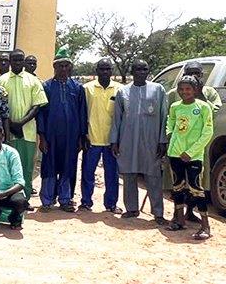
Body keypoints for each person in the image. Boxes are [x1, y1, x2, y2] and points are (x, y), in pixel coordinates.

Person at [109, 59, 168, 224]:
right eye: (138, 69)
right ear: (132, 72)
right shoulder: (123, 92)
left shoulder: (158, 89)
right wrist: (114, 141)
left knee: (153, 175)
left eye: (145, 69)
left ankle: (158, 213)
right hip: (128, 139)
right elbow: (117, 118)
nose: (142, 72)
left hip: (151, 140)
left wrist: (162, 140)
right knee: (129, 174)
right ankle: (131, 208)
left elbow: (164, 116)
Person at [165, 60, 222, 223]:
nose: (193, 77)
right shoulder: (174, 93)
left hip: (198, 146)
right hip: (177, 147)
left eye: (196, 74)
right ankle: (177, 215)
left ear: (201, 75)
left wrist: (200, 94)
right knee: (177, 183)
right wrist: (169, 135)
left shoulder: (209, 93)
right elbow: (169, 116)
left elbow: (214, 111)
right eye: (189, 74)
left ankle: (191, 212)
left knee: (196, 183)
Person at [37, 49, 87, 212]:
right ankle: (47, 200)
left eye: (66, 65)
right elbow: (41, 114)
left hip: (71, 136)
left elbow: (82, 113)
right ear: (55, 67)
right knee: (49, 166)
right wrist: (42, 137)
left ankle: (65, 200)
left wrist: (81, 137)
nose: (63, 69)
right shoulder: (46, 87)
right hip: (51, 136)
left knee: (68, 166)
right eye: (60, 66)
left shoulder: (77, 88)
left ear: (70, 67)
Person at [0, 49, 48, 201]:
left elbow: (37, 105)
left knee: (26, 167)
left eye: (20, 60)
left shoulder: (33, 81)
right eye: (15, 60)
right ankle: (7, 199)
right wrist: (11, 124)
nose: (17, 62)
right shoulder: (1, 81)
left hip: (28, 132)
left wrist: (21, 123)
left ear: (24, 61)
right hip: (6, 133)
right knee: (6, 166)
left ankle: (24, 199)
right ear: (10, 61)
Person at [80, 58, 121, 213]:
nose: (105, 72)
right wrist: (83, 135)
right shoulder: (87, 88)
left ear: (112, 71)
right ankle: (86, 202)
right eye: (102, 69)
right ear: (96, 71)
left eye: (107, 69)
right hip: (92, 139)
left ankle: (111, 204)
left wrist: (118, 139)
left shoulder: (120, 89)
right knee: (87, 173)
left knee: (112, 175)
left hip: (112, 141)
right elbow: (82, 113)